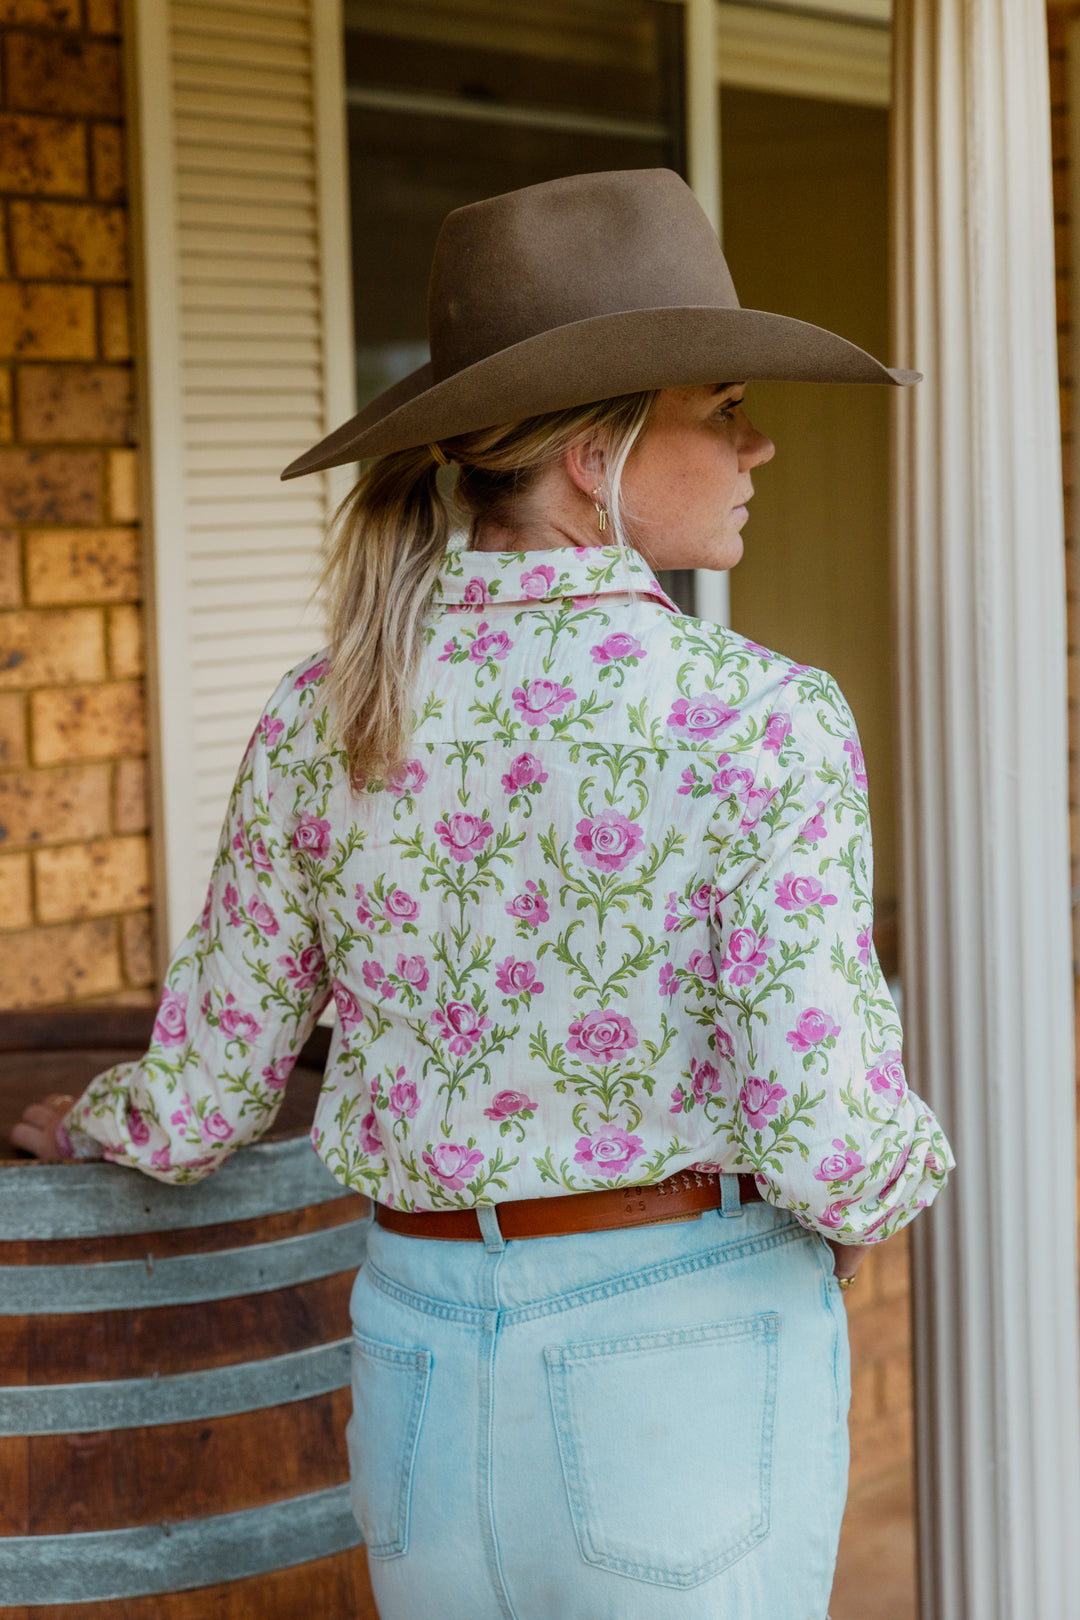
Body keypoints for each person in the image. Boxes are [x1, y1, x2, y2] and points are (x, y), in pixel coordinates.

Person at [13, 169, 954, 1620]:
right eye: (722, 405)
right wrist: (904, 1178)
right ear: (599, 452)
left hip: (415, 1363)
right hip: (681, 1356)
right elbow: (835, 1141)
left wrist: (87, 1123)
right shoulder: (762, 717)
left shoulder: (323, 713)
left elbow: (200, 1099)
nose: (762, 443)